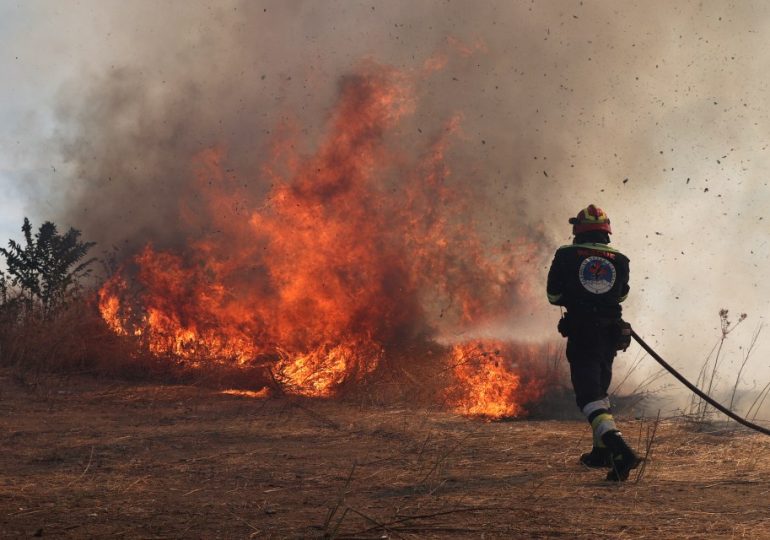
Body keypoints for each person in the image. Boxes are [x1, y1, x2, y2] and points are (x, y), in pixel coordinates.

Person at [546, 204, 640, 481]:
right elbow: (621, 296)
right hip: (611, 334)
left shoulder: (566, 254)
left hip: (583, 333)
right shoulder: (621, 259)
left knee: (588, 397)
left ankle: (620, 450)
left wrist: (577, 299)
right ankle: (601, 452)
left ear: (578, 230)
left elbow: (553, 295)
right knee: (599, 391)